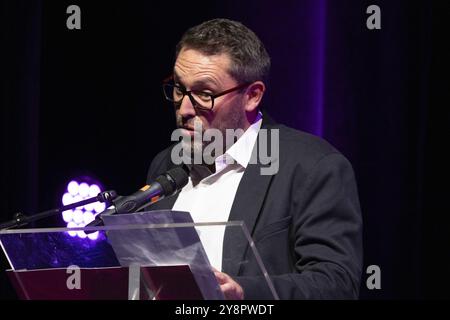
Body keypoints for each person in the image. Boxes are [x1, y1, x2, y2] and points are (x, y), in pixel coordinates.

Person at [146, 18, 363, 299]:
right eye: (178, 88)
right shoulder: (165, 166)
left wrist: (245, 293)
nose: (184, 108)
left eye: (204, 93)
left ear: (252, 96)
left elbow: (337, 284)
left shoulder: (313, 167)